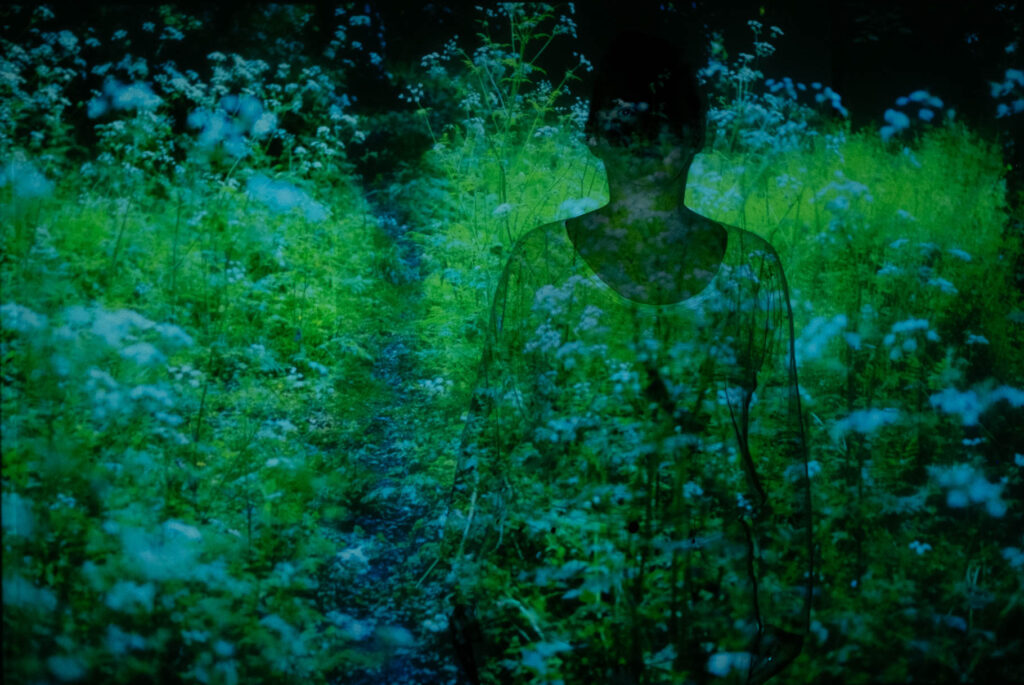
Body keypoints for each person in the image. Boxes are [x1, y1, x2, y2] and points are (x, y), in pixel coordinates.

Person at [443, 28, 813, 685]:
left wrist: (788, 594)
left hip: (706, 589)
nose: (644, 146)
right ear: (594, 137)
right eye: (627, 128)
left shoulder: (751, 268)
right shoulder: (539, 261)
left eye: (660, 128)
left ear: (697, 136)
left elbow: (782, 450)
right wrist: (471, 578)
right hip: (568, 581)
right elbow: (492, 436)